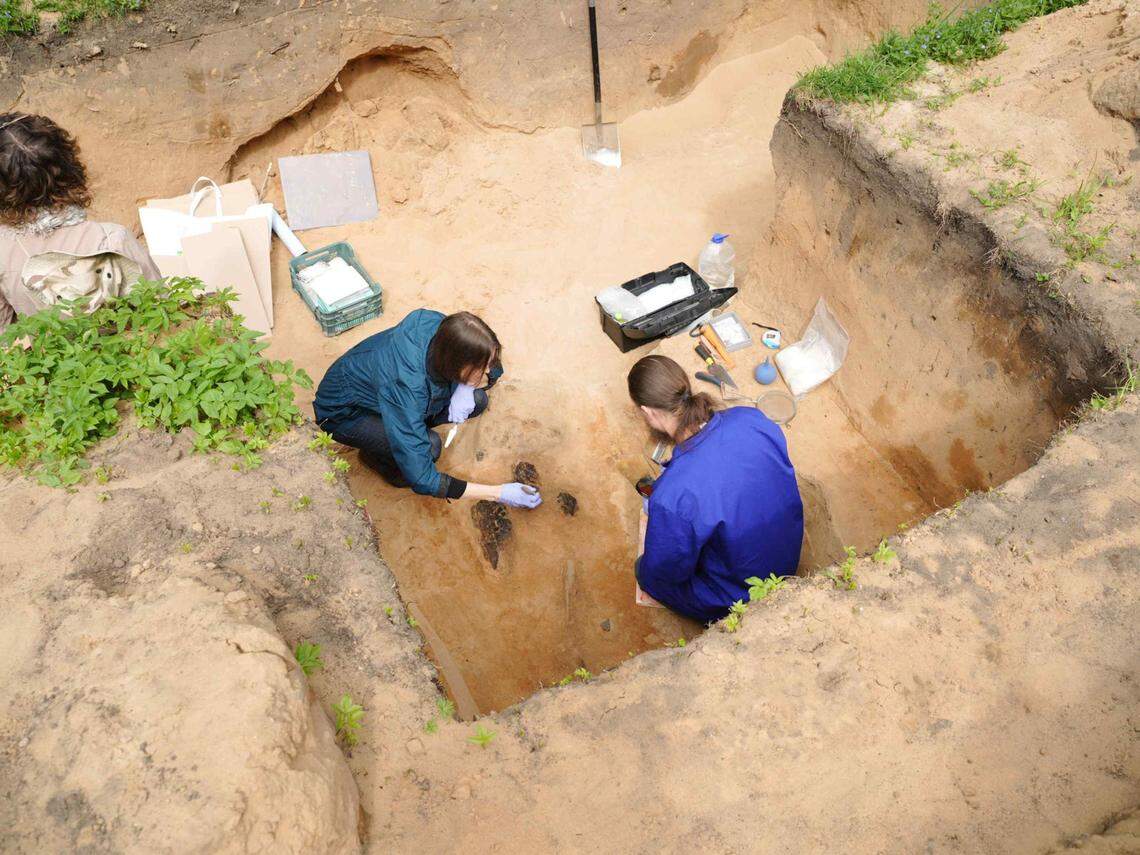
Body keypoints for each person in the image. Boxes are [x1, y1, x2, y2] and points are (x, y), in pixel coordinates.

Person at [629, 354, 803, 622]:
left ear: (648, 412)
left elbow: (668, 570)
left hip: (743, 593)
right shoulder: (752, 419)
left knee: (647, 572)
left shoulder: (673, 495)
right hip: (786, 558)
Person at [314, 308, 542, 509]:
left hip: (389, 397)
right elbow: (424, 479)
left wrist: (466, 388)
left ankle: (407, 430)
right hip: (345, 413)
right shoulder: (407, 389)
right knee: (430, 447)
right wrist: (499, 493)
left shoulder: (445, 330)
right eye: (479, 369)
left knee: (478, 400)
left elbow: (493, 369)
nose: (486, 372)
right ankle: (377, 458)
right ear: (456, 363)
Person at [0, 113, 160, 332]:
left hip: (48, 363)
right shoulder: (112, 239)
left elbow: (5, 341)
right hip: (129, 360)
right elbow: (160, 312)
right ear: (68, 165)